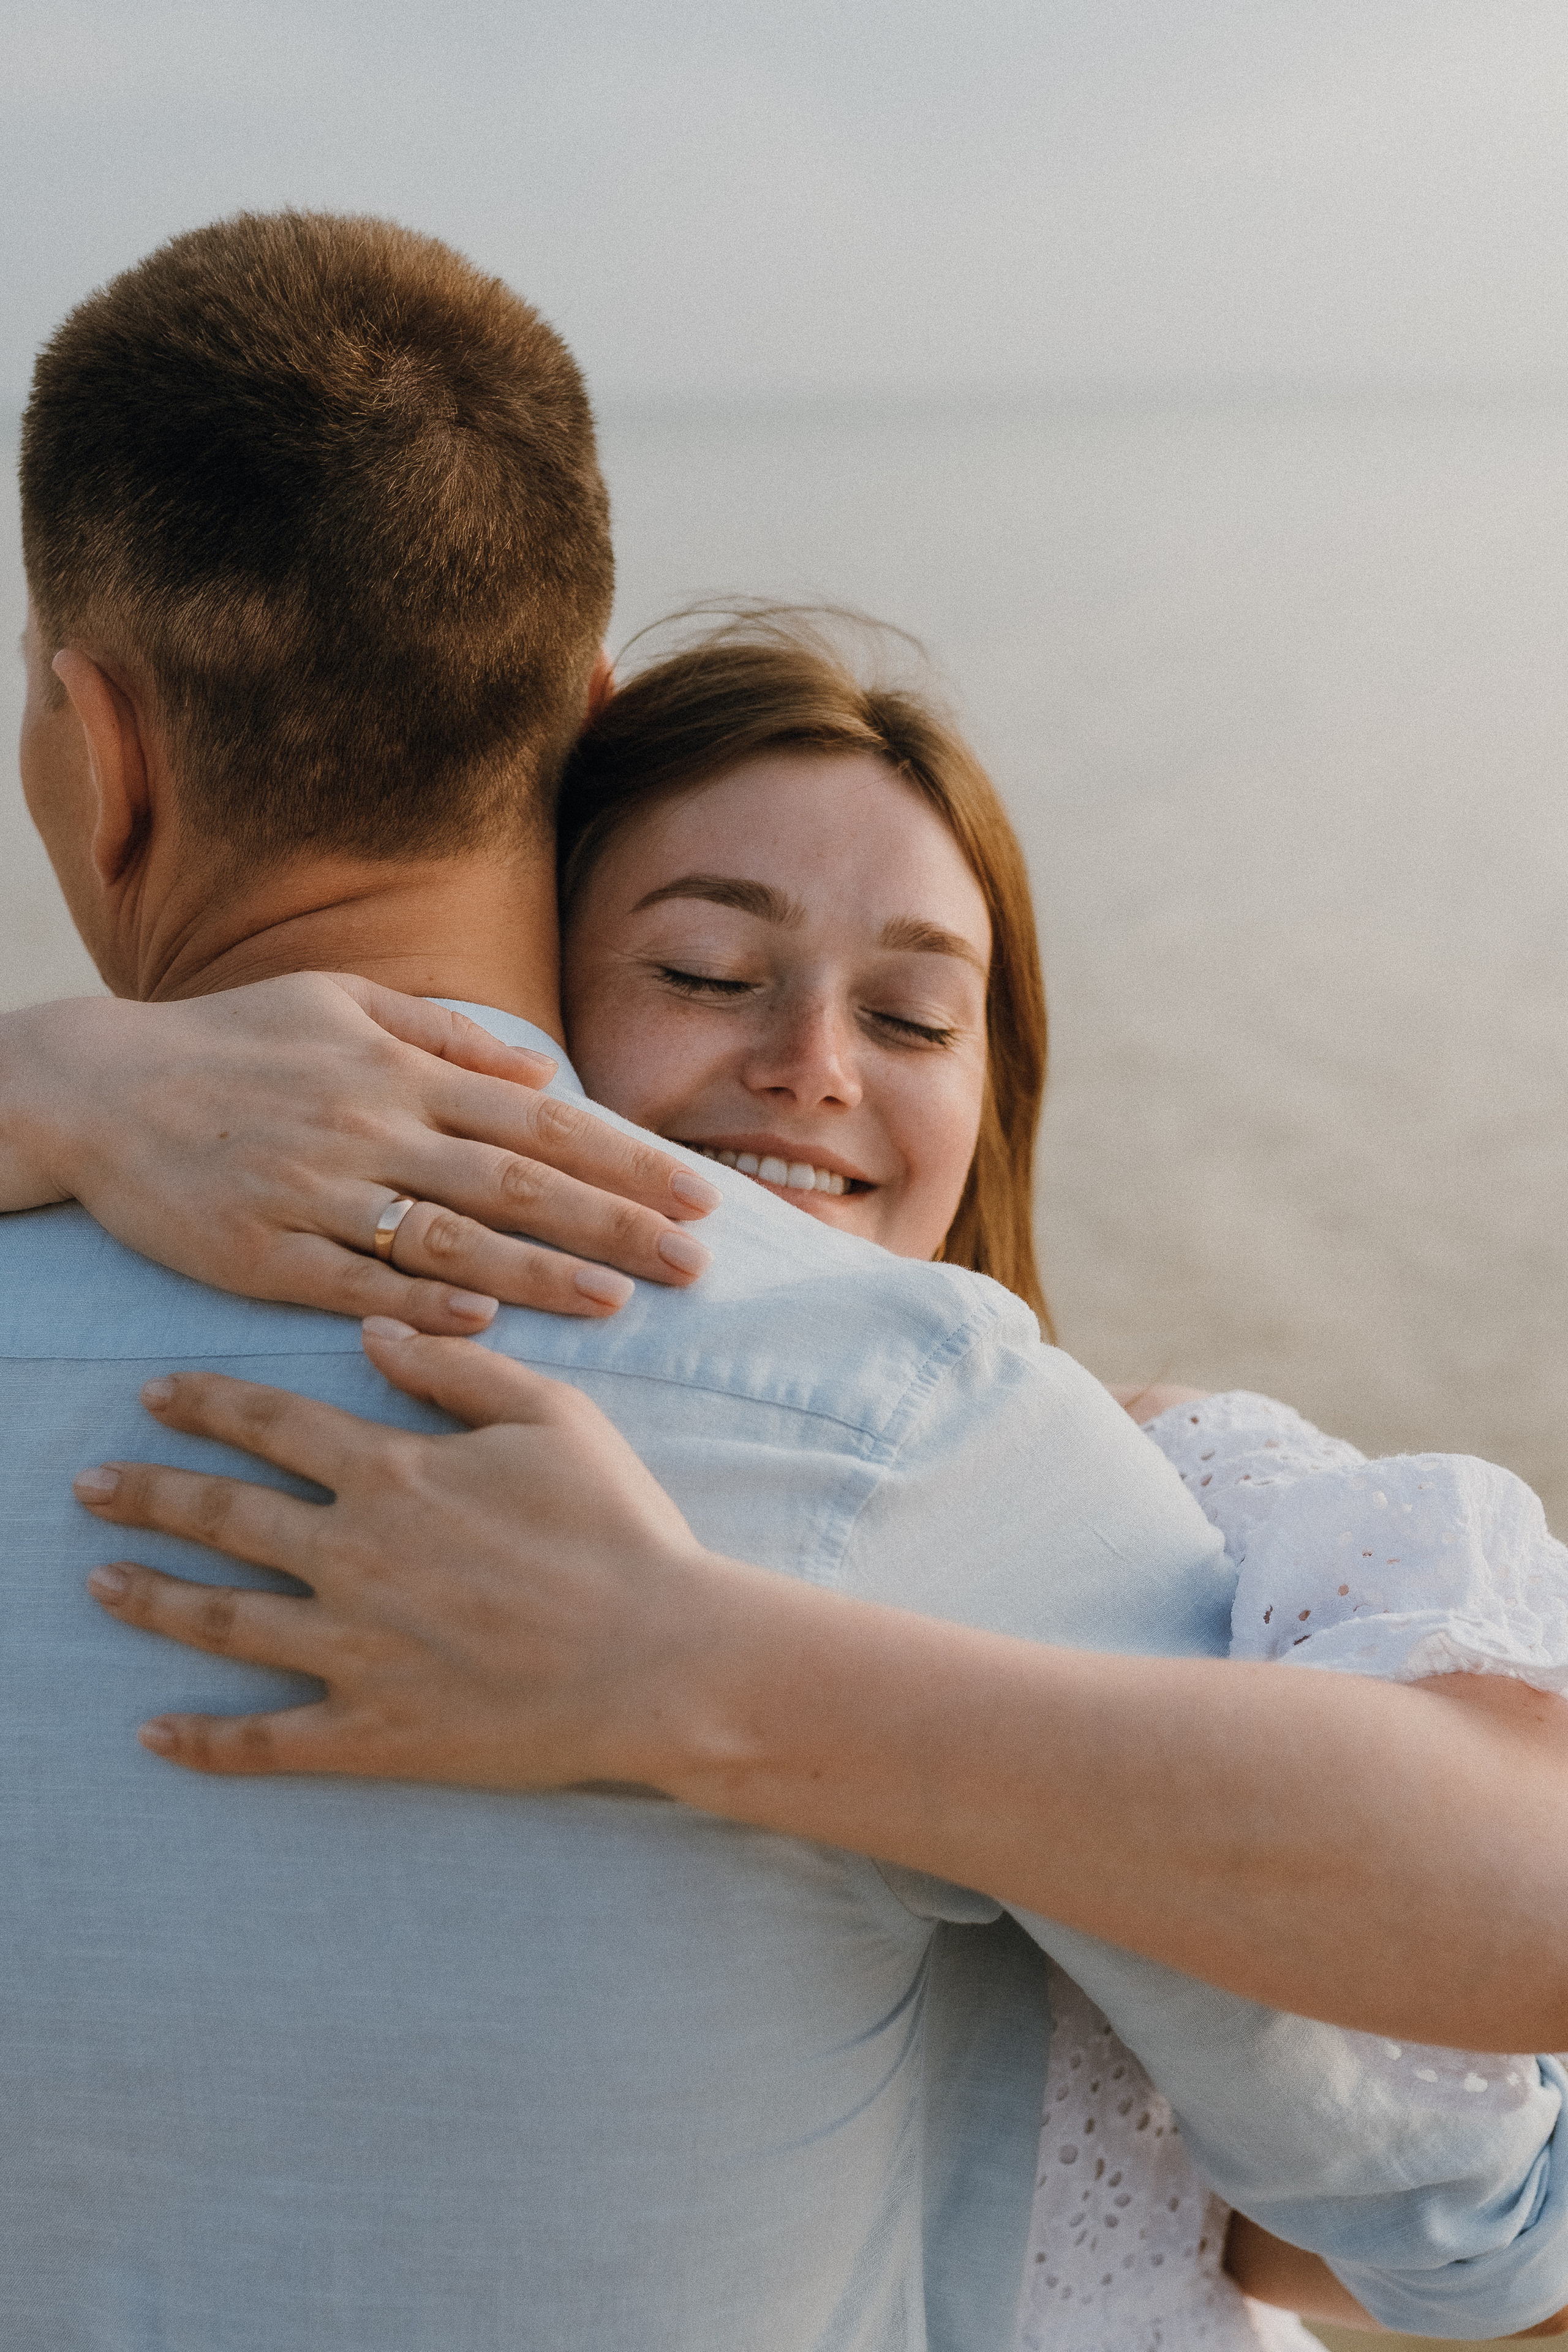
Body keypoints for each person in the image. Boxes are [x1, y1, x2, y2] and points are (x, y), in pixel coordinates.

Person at [8, 208, 1568, 2348]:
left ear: (107, 754)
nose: (809, 1069)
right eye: (717, 970)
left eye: (912, 1017)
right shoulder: (925, 1441)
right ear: (576, 725)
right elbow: (1483, 2219)